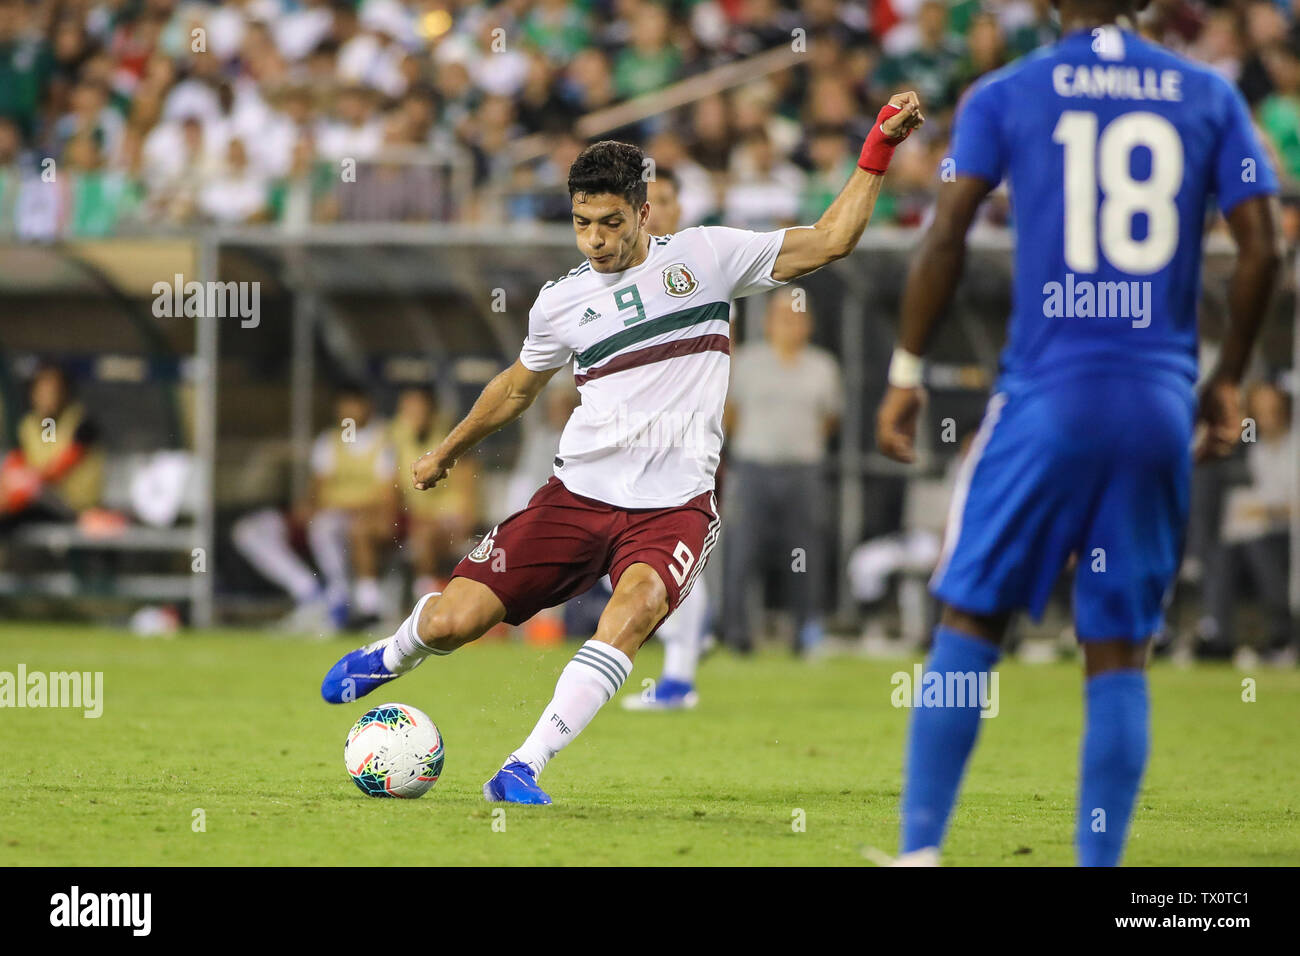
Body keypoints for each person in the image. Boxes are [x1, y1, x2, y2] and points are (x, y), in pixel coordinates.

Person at [321, 92, 925, 805]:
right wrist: (448, 449)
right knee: (457, 621)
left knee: (633, 611)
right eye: (582, 225)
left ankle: (523, 765)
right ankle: (391, 654)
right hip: (577, 496)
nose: (596, 240)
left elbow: (829, 240)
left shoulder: (705, 257)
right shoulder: (560, 303)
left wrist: (877, 149)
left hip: (673, 508)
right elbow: (517, 389)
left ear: (645, 211)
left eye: (611, 223)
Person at [873, 2, 1281, 865]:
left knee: (972, 619)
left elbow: (945, 234)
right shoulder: (1207, 92)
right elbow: (1265, 248)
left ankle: (918, 854)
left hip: (1046, 396)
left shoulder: (1006, 91)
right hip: (1159, 401)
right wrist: (1228, 375)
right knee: (1120, 650)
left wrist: (907, 372)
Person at [722, 286, 842, 656]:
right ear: (768, 323)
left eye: (798, 318)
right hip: (754, 468)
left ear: (809, 324)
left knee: (804, 555)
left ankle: (804, 633)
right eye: (784, 317)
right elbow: (730, 414)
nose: (791, 324)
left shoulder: (823, 367)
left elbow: (830, 418)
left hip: (803, 471)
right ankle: (736, 634)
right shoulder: (747, 363)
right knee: (741, 551)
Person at [299, 385, 398, 630]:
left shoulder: (384, 439)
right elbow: (317, 490)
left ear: (368, 407)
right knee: (321, 527)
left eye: (354, 405)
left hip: (371, 515)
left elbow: (388, 494)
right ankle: (337, 595)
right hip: (336, 515)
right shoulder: (328, 442)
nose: (349, 412)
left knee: (359, 530)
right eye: (344, 406)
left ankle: (369, 607)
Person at [388, 386, 478, 603]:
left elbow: (469, 491)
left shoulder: (452, 437)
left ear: (432, 411)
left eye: (418, 410)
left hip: (450, 520)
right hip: (416, 520)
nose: (412, 417)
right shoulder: (396, 437)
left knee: (424, 537)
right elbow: (390, 486)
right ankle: (368, 605)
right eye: (407, 411)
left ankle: (425, 602)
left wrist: (466, 524)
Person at [1, 363, 103, 529]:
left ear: (65, 392)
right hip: (39, 502)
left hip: (74, 507)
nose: (48, 397)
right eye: (42, 391)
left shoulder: (81, 423)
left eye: (54, 391)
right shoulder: (30, 424)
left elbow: (59, 469)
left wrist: (26, 481)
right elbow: (16, 463)